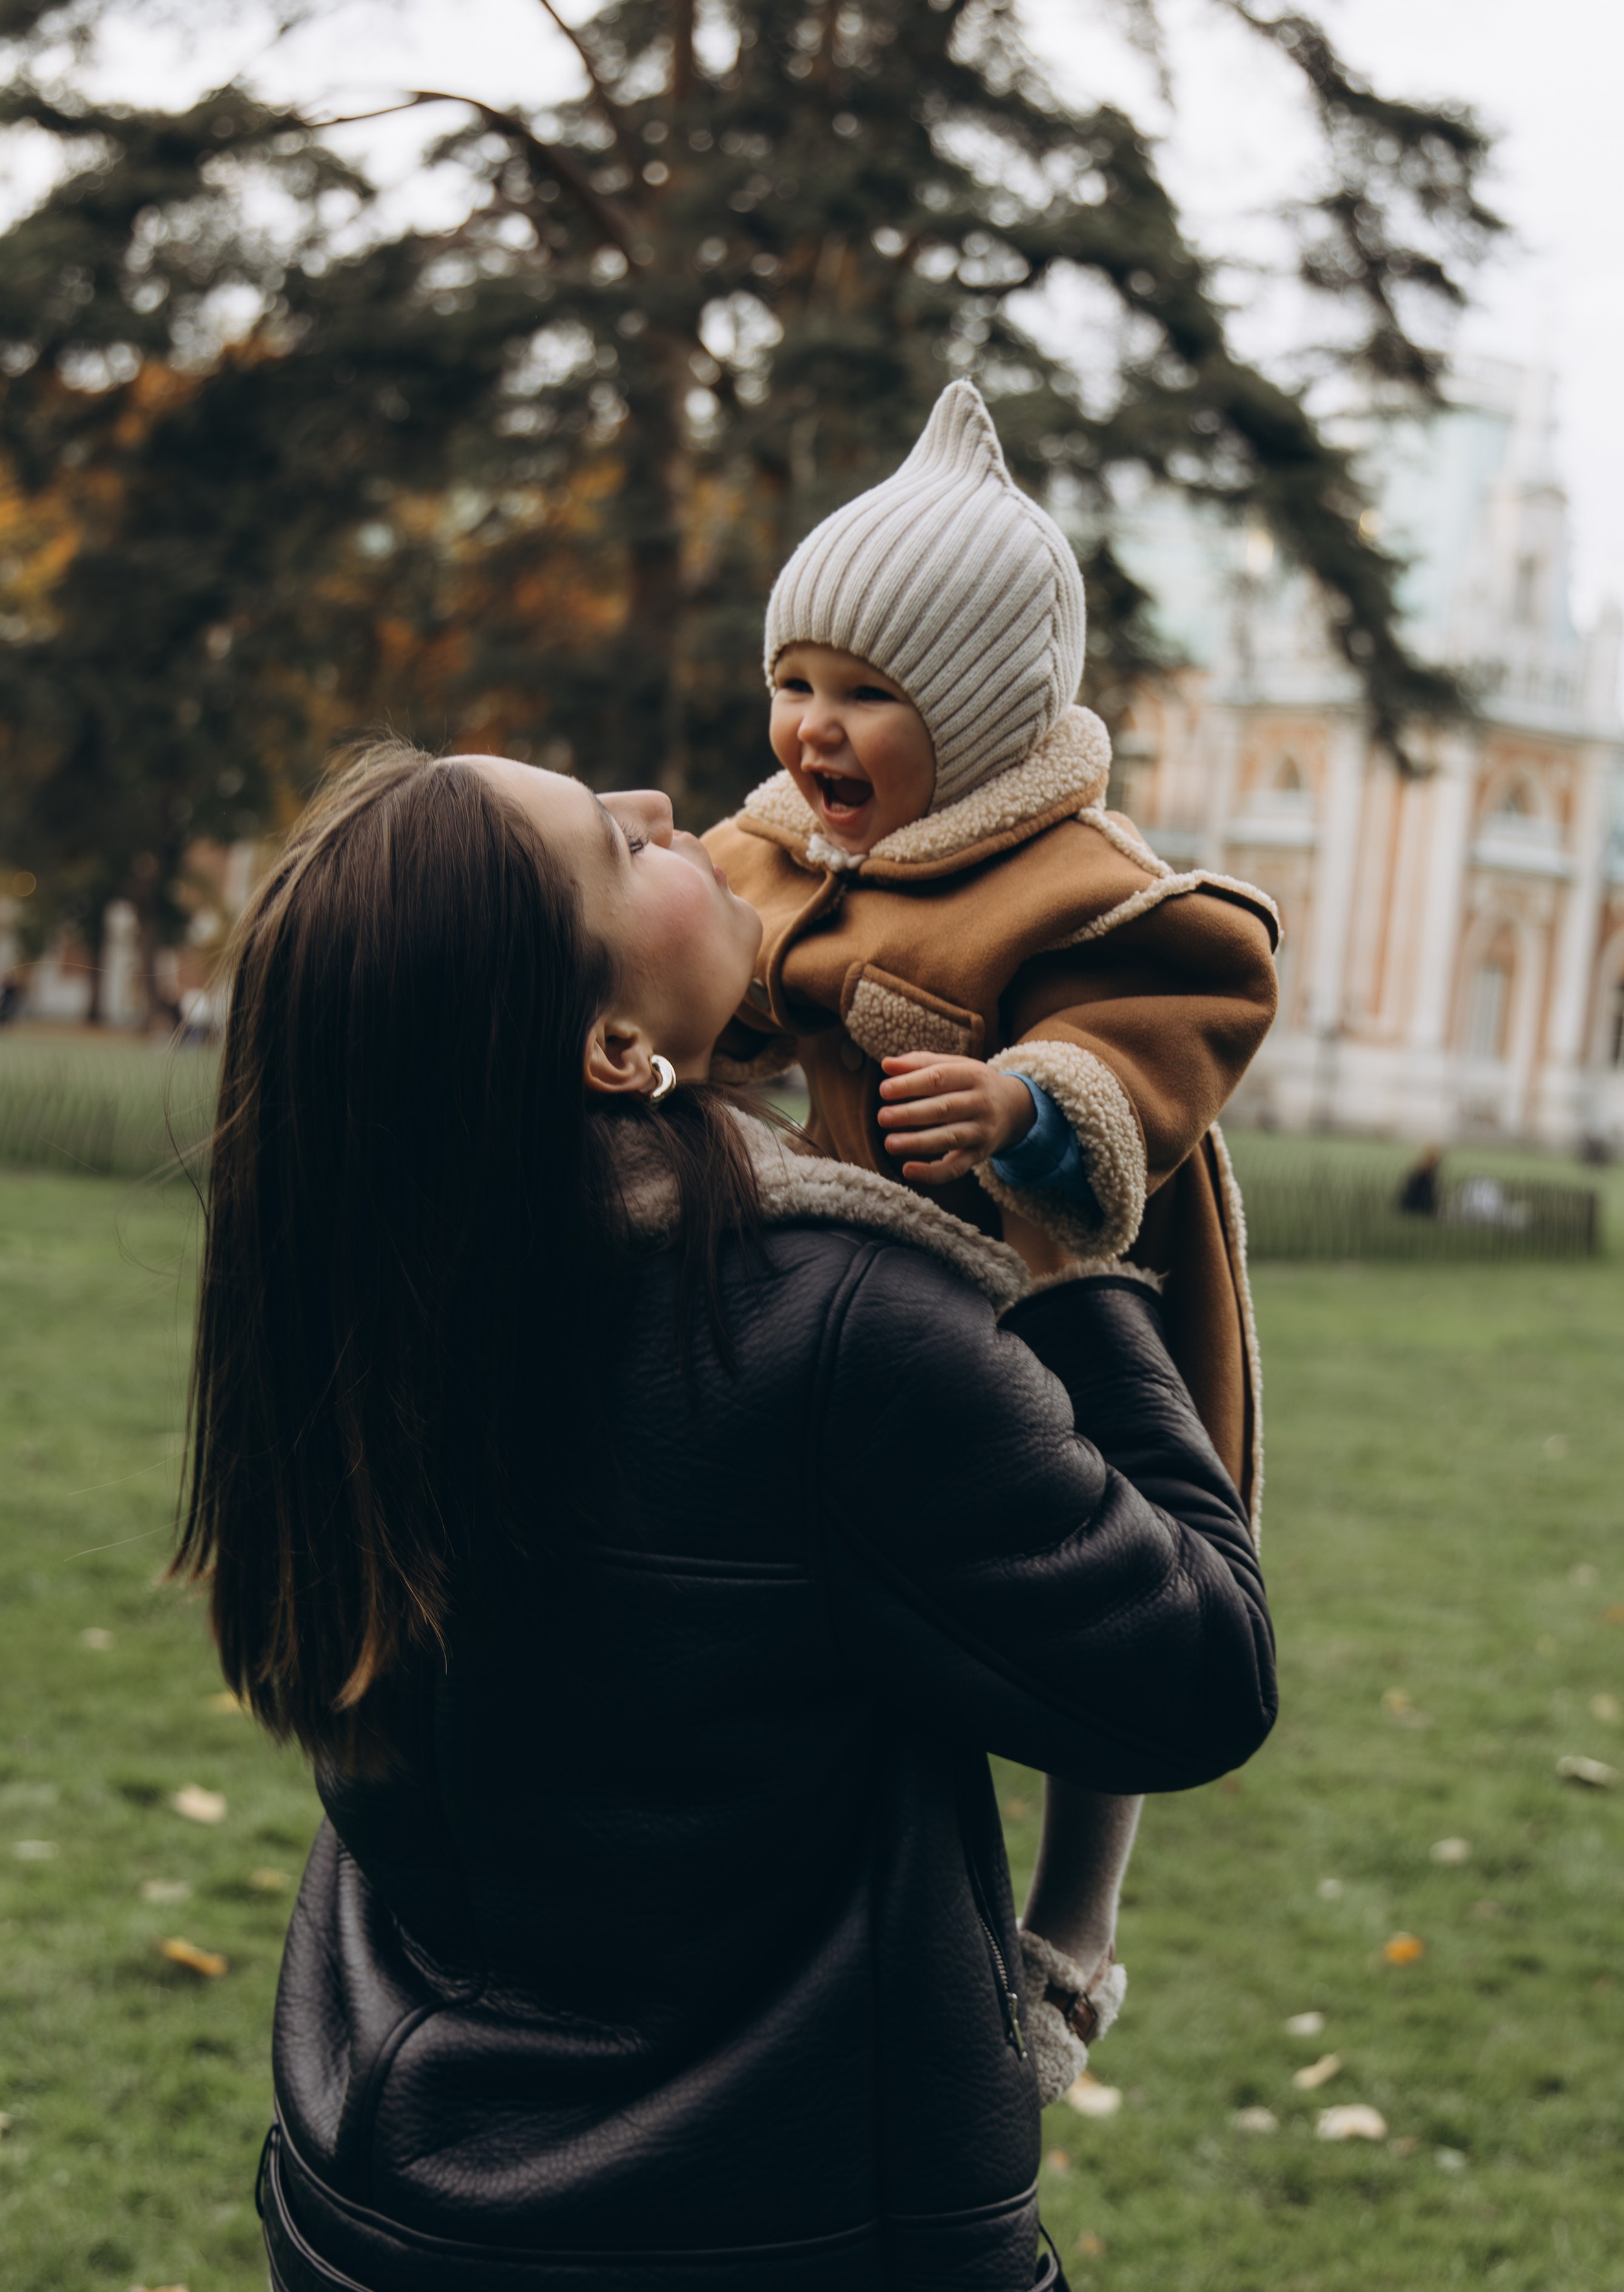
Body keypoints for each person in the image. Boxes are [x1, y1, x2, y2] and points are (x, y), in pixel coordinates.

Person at [174, 740, 1275, 2292]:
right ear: (618, 1050)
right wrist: (1082, 1274)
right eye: (612, 855)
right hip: (783, 2233)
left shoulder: (357, 1297)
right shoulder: (829, 1328)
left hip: (379, 2207)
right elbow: (1195, 1678)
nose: (654, 807)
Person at [702, 382, 1281, 2079]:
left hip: (1066, 1285)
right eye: (794, 682)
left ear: (976, 705)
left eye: (868, 694)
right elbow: (709, 971)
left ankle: (1070, 1934)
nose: (815, 726)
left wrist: (1033, 1099)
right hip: (843, 1283)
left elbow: (1164, 1021)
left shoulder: (1074, 882)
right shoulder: (773, 838)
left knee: (1110, 1597)